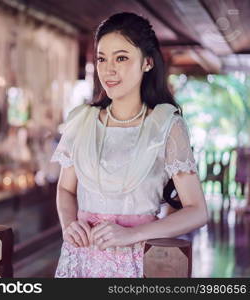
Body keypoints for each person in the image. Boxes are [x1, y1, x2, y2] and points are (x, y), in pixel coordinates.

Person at [50, 12, 208, 278]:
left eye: (121, 57)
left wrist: (132, 234)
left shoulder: (166, 125)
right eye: (102, 58)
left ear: (147, 62)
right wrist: (69, 225)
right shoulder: (82, 121)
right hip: (79, 259)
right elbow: (66, 188)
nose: (108, 69)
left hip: (137, 261)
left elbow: (197, 211)